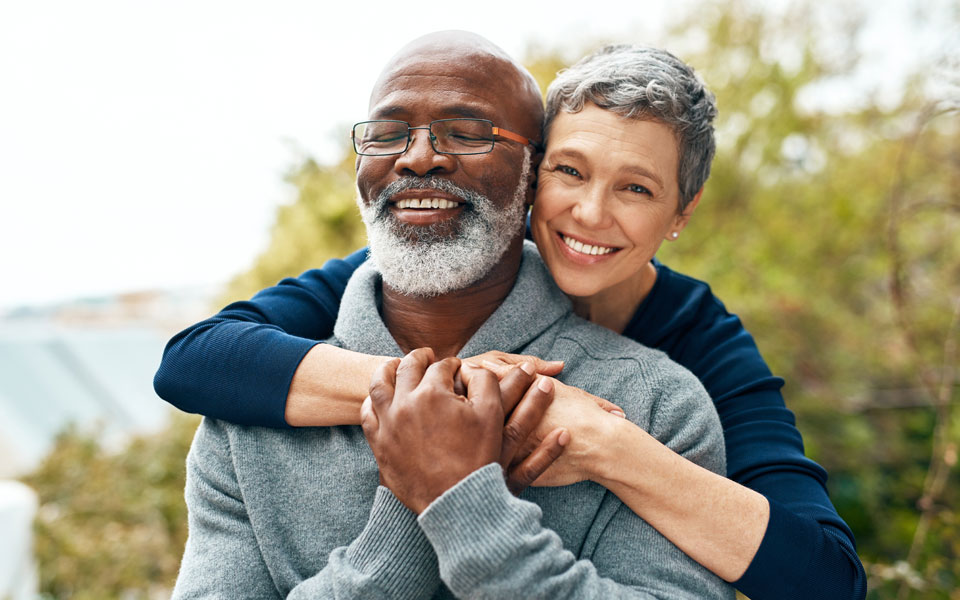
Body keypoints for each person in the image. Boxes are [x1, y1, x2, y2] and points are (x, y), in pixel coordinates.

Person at [158, 42, 867, 600]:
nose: (590, 213)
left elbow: (824, 580)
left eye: (637, 188)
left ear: (682, 214)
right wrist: (442, 405)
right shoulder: (259, 397)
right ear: (536, 179)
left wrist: (602, 444)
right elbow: (195, 358)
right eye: (572, 172)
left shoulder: (684, 376)